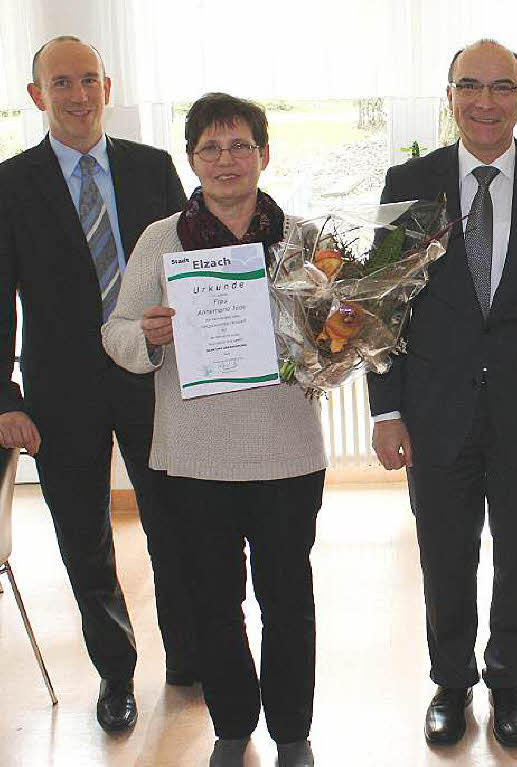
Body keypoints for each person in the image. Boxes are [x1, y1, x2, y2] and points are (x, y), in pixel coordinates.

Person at [368, 39, 517, 748]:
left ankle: (508, 680)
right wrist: (385, 409)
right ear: (449, 96)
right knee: (445, 553)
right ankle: (451, 681)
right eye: (470, 86)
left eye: (502, 87)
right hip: (433, 412)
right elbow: (383, 305)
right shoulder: (413, 184)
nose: (485, 101)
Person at [102, 92, 326, 767]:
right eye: (211, 148)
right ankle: (232, 726)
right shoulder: (161, 239)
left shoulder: (305, 240)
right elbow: (114, 331)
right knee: (213, 600)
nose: (226, 160)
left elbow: (340, 342)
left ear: (264, 153)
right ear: (192, 158)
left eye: (240, 146)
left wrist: (330, 342)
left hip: (286, 452)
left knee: (288, 598)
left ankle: (292, 732)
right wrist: (147, 334)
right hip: (194, 457)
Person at [0, 35, 195, 732]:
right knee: (84, 535)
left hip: (153, 378)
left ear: (108, 87)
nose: (78, 96)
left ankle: (189, 653)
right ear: (36, 96)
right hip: (60, 392)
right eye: (61, 84)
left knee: (173, 521)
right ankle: (116, 671)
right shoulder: (10, 184)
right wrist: (5, 398)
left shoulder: (153, 168)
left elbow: (189, 267)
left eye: (88, 80)